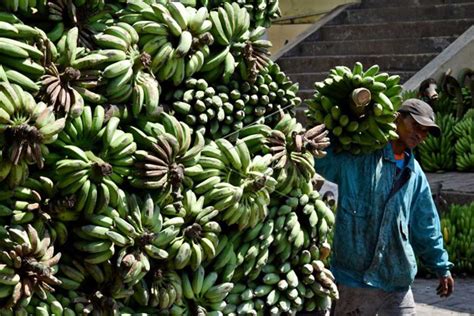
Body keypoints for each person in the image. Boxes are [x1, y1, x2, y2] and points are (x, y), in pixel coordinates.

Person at [316, 99, 454, 315]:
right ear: (397, 118)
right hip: (354, 280)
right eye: (416, 126)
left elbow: (425, 223)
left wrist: (441, 266)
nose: (420, 134)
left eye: (426, 131)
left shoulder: (414, 173)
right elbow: (321, 163)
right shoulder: (358, 156)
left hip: (397, 279)